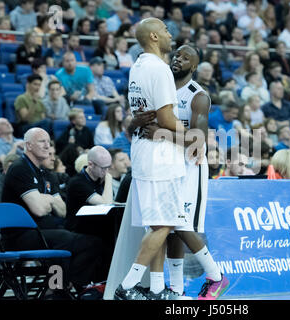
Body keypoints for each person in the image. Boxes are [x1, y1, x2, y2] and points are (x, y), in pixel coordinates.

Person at [111, 17, 191, 301]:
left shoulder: (138, 67)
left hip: (144, 152)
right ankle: (128, 285)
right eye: (166, 30)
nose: (171, 34)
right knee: (164, 225)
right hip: (160, 156)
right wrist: (190, 134)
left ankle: (157, 289)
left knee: (158, 225)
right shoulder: (159, 69)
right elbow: (167, 119)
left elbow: (147, 115)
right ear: (154, 37)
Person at [155, 44, 228, 299]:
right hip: (165, 164)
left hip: (190, 166)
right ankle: (176, 288)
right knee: (171, 229)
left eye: (186, 58)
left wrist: (160, 132)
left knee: (182, 223)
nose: (178, 59)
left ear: (194, 66)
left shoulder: (198, 95)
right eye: (177, 55)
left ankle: (216, 276)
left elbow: (198, 139)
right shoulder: (163, 91)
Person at [1, 128, 104, 294]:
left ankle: (62, 286)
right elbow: (40, 210)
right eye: (42, 141)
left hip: (46, 232)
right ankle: (63, 289)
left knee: (92, 241)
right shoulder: (20, 168)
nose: (47, 146)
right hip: (20, 236)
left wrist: (43, 198)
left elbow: (62, 211)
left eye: (49, 142)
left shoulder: (48, 174)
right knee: (78, 242)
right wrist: (49, 199)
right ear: (28, 145)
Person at [65, 146, 114, 279]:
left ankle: (106, 282)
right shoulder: (78, 182)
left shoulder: (99, 181)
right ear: (91, 164)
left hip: (96, 228)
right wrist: (109, 179)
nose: (107, 171)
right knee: (104, 242)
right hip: (79, 230)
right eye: (103, 168)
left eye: (109, 167)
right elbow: (106, 203)